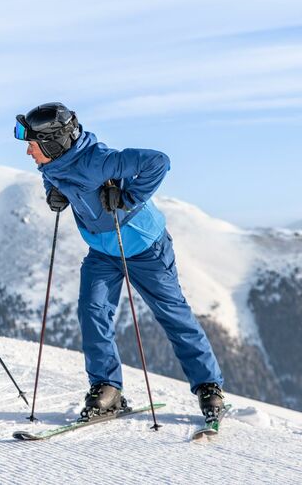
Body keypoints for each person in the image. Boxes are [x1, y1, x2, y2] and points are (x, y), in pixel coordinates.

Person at [13, 102, 225, 421]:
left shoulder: (99, 160)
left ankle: (209, 386)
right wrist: (52, 194)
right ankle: (107, 388)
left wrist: (129, 197)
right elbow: (53, 178)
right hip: (102, 251)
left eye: (31, 144)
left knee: (171, 313)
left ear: (53, 142)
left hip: (144, 247)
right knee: (92, 311)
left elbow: (158, 162)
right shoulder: (52, 163)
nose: (28, 152)